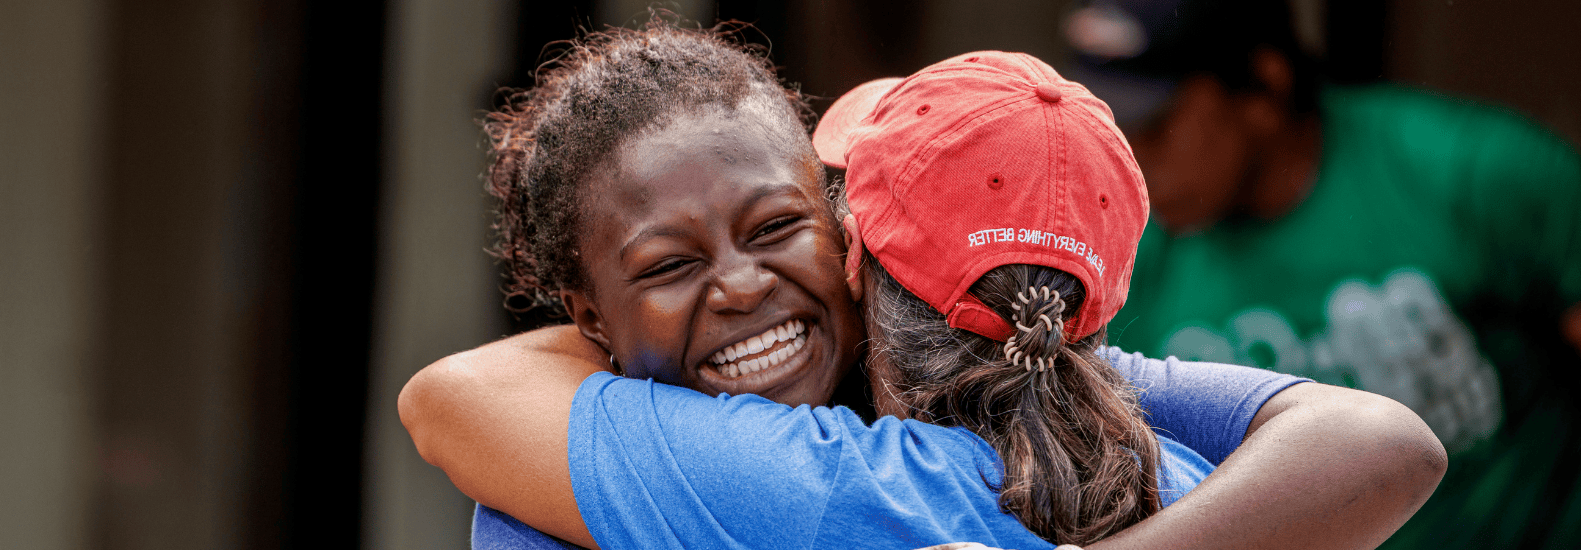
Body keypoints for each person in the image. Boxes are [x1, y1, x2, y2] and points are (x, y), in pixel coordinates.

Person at [403, 21, 1442, 550]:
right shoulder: (1161, 462)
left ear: (852, 246)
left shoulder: (622, 477)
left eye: (778, 227)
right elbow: (1381, 440)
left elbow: (451, 395)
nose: (740, 285)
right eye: (671, 265)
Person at [1063, 1, 1581, 547]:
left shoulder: (1472, 173)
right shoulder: (1117, 247)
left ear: (1264, 89)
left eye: (1154, 127)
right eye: (1109, 135)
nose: (1129, 163)